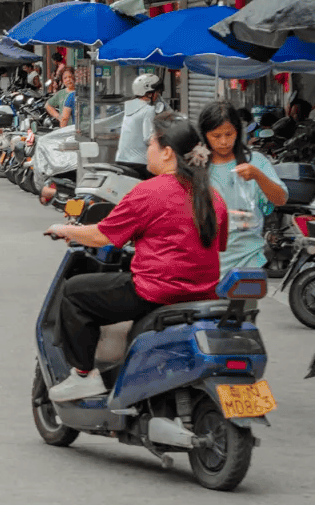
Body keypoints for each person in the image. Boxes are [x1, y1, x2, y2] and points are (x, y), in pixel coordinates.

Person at [44, 111, 229, 403]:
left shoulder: (149, 191)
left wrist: (64, 229)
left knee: (74, 292)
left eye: (151, 145)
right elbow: (213, 246)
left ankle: (83, 375)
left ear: (167, 152)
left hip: (156, 292)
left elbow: (102, 236)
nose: (147, 151)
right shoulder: (212, 196)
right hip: (202, 294)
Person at [198, 99, 286, 276]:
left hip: (247, 261)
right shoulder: (196, 165)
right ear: (204, 134)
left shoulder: (256, 161)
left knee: (244, 304)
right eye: (216, 136)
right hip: (204, 263)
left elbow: (281, 199)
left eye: (229, 134)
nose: (224, 141)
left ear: (238, 132)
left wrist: (258, 176)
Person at [116, 73, 161, 169]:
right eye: (156, 92)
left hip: (121, 159)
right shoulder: (148, 109)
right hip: (140, 162)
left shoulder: (129, 107)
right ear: (149, 93)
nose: (157, 95)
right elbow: (148, 138)